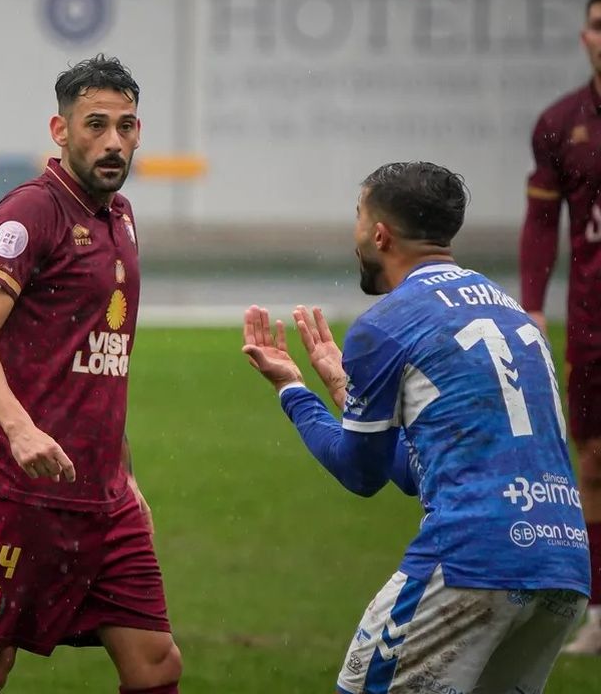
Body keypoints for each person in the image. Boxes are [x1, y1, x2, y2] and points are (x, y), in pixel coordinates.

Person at [242, 161, 589, 692]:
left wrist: (292, 390)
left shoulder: (386, 323)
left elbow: (361, 474)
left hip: (471, 559)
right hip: (563, 562)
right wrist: (345, 392)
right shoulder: (510, 311)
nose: (356, 234)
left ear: (379, 233)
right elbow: (416, 471)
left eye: (359, 217)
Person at [0, 56, 180, 694]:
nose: (114, 141)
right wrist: (20, 430)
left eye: (126, 126)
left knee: (155, 663)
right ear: (60, 131)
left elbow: (101, 360)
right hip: (25, 492)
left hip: (105, 495)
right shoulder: (30, 213)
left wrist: (124, 473)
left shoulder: (120, 217)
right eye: (96, 124)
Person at [521, 0, 601, 653]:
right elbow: (543, 224)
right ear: (585, 37)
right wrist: (531, 304)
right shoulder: (560, 123)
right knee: (593, 461)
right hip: (591, 321)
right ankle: (599, 616)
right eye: (600, 26)